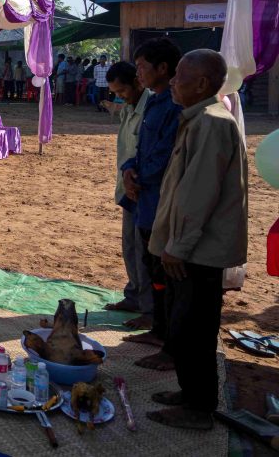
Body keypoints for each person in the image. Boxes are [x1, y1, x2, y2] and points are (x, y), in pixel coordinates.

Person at [146, 49, 248, 431]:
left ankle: (198, 406)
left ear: (202, 83)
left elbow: (198, 193)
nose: (172, 82)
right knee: (184, 325)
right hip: (191, 247)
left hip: (198, 251)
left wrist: (179, 246)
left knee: (194, 330)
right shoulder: (201, 119)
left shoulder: (209, 122)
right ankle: (190, 394)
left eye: (179, 77)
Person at [120, 37, 183, 371]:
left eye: (143, 67)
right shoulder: (155, 102)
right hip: (143, 197)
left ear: (163, 68)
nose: (138, 73)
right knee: (150, 261)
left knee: (162, 269)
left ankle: (166, 334)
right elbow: (142, 148)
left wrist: (139, 175)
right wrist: (128, 170)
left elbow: (165, 153)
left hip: (160, 200)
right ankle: (156, 324)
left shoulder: (175, 104)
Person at [103, 61, 153, 328]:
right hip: (127, 190)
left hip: (144, 191)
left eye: (122, 90)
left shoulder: (152, 108)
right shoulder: (129, 109)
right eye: (115, 92)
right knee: (130, 246)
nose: (119, 96)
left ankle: (149, 309)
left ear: (137, 82)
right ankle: (134, 295)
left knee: (145, 251)